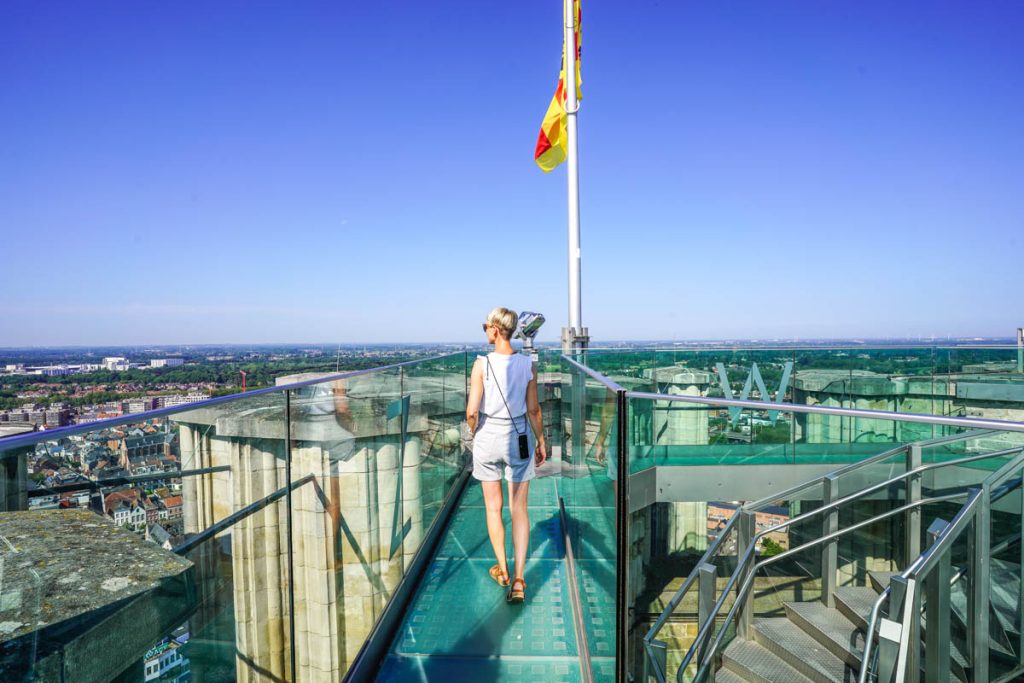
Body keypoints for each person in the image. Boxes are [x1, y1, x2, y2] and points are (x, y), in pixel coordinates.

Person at [466, 307, 547, 603]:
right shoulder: (527, 365)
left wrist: (475, 432)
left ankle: (501, 567)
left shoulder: (481, 364)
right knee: (519, 510)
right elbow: (534, 409)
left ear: (496, 329)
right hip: (518, 437)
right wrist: (541, 440)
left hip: (488, 436)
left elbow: (472, 411)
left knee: (493, 508)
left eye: (486, 326)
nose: (485, 330)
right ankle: (519, 580)